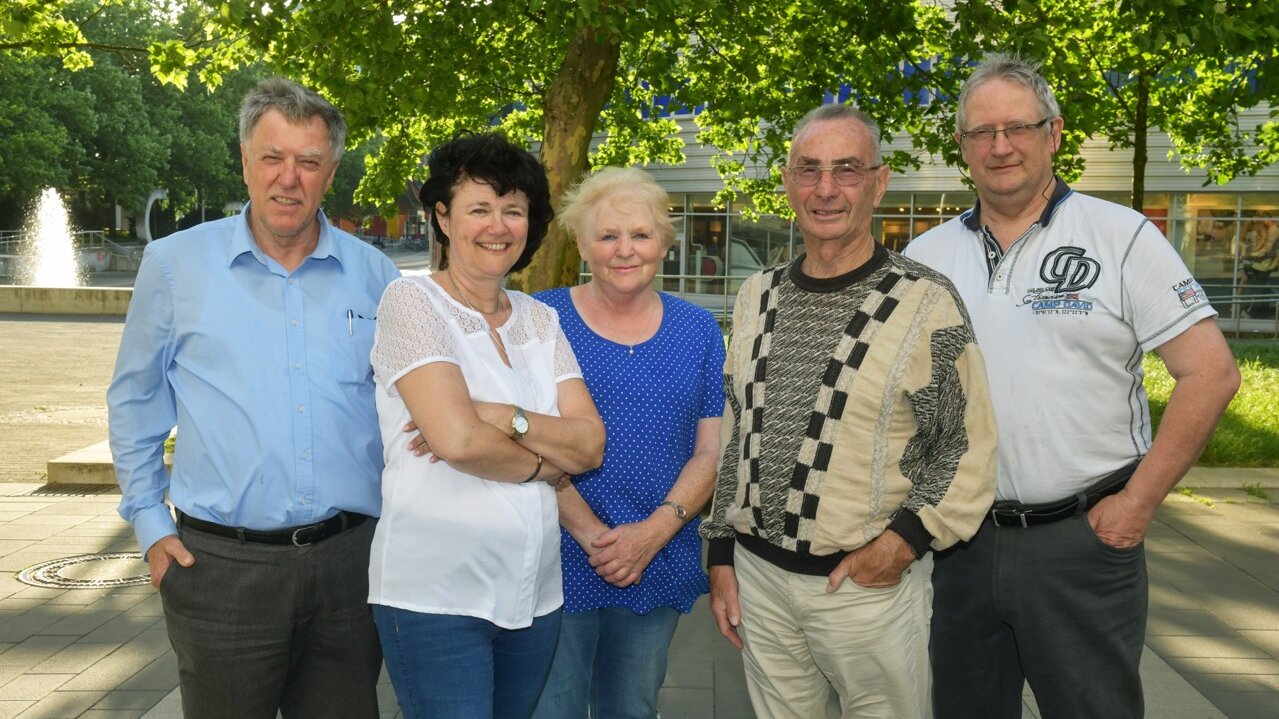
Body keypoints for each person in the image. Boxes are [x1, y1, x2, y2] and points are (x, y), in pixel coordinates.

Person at [904, 54, 1241, 719]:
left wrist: (1136, 504)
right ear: (960, 147)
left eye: (1016, 127)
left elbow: (1211, 372)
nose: (999, 145)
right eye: (980, 132)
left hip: (1081, 541)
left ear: (1053, 133)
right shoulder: (924, 258)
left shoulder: (1119, 236)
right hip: (959, 547)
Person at [107, 77, 400, 718]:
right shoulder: (174, 266)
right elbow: (134, 403)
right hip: (220, 572)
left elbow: (406, 415)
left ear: (331, 171)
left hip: (352, 569)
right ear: (244, 160)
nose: (288, 178)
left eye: (308, 162)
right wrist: (152, 526)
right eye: (272, 157)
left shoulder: (378, 277)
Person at [700, 103, 998, 719]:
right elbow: (737, 435)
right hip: (760, 579)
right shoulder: (758, 295)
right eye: (808, 170)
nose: (826, 189)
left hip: (867, 587)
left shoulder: (926, 302)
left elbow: (965, 445)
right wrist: (722, 554)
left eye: (846, 169)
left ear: (879, 183)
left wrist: (905, 543)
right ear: (787, 182)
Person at [368, 132, 606, 719]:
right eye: (479, 208)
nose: (497, 226)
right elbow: (456, 441)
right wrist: (546, 463)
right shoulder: (411, 302)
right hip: (435, 595)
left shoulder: (540, 319)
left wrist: (501, 416)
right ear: (442, 217)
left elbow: (592, 443)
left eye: (513, 210)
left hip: (534, 596)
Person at [529, 167, 725, 719]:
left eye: (640, 234)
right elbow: (526, 440)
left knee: (632, 708)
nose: (624, 250)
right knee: (553, 710)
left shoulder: (699, 330)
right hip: (558, 555)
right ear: (581, 243)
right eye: (608, 235)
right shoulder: (541, 321)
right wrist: (595, 537)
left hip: (657, 555)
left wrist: (652, 534)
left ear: (665, 242)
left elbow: (711, 451)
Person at [1243, 218, 1278, 318]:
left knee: (1257, 284)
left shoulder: (1271, 231)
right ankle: (1256, 307)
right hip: (1257, 262)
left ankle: (1255, 308)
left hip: (1262, 263)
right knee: (1254, 283)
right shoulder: (1261, 232)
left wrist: (1252, 254)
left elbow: (1267, 249)